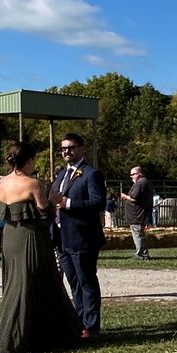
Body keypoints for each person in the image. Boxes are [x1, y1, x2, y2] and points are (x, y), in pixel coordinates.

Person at [0, 140, 80, 353]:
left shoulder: (1, 183)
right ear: (29, 160)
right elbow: (45, 215)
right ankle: (30, 337)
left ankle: (18, 335)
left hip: (10, 237)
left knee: (15, 282)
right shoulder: (32, 184)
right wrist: (51, 200)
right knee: (37, 282)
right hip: (30, 237)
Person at [52, 133, 106, 338]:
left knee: (86, 282)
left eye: (71, 147)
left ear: (81, 148)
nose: (66, 151)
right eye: (63, 148)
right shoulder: (61, 175)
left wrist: (70, 204)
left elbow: (98, 202)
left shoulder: (91, 174)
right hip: (63, 237)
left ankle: (91, 327)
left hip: (83, 237)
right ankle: (79, 322)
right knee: (74, 282)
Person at [123, 166, 155, 259]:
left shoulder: (140, 183)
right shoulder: (145, 182)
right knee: (140, 234)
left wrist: (124, 196)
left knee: (138, 234)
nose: (131, 176)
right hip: (140, 214)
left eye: (133, 174)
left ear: (139, 174)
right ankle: (143, 253)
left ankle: (140, 254)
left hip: (137, 215)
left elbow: (133, 197)